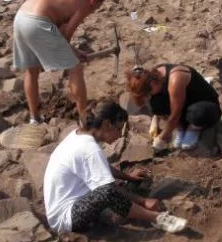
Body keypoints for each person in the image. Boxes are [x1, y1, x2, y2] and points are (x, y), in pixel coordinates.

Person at [43, 100, 187, 234]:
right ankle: (157, 218)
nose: (120, 136)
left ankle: (124, 211)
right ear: (107, 124)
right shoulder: (89, 148)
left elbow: (102, 167)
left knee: (115, 187)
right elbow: (108, 192)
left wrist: (128, 177)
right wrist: (143, 201)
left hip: (70, 205)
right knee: (108, 192)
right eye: (119, 129)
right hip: (66, 219)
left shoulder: (79, 135)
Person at [12, 0, 105, 125]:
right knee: (76, 68)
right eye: (95, 9)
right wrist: (73, 55)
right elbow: (66, 35)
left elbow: (58, 32)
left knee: (31, 71)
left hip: (20, 19)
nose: (92, 12)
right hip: (38, 22)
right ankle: (84, 119)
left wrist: (75, 51)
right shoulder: (84, 3)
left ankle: (34, 118)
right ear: (94, 1)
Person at [125, 64, 222, 151]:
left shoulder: (176, 78)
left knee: (197, 113)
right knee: (156, 104)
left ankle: (194, 129)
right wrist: (157, 121)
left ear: (152, 83)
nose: (149, 95)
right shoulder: (155, 78)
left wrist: (161, 138)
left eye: (149, 92)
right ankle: (181, 129)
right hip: (183, 104)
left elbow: (176, 113)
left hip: (205, 106)